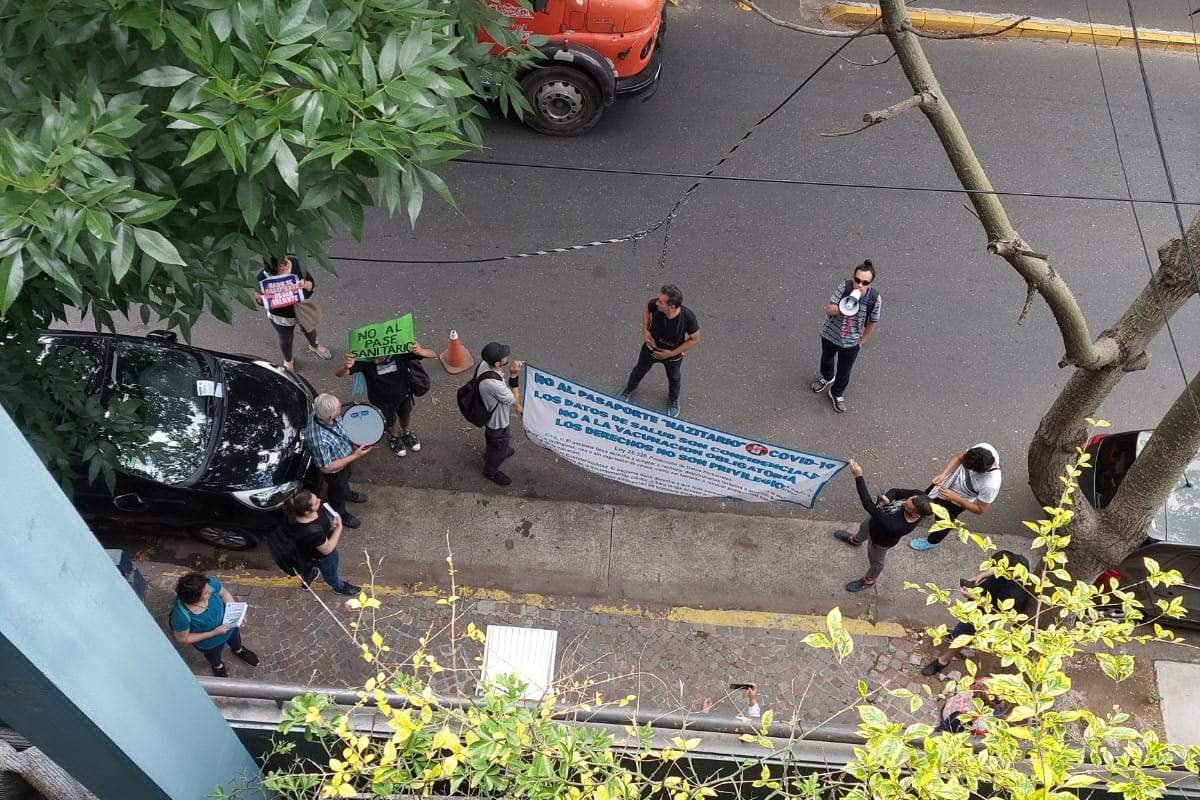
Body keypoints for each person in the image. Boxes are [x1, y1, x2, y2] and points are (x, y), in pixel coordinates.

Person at [920, 550, 1030, 676]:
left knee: (966, 630)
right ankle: (955, 635)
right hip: (986, 595)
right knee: (962, 623)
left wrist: (974, 597)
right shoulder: (1019, 562)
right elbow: (997, 570)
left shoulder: (1016, 596)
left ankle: (944, 660)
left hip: (987, 610)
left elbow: (998, 611)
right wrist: (982, 576)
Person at [832, 458, 933, 592]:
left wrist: (858, 476)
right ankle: (855, 540)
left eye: (906, 506)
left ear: (915, 515)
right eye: (907, 500)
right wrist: (889, 498)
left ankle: (869, 580)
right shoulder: (920, 497)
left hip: (879, 541)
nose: (903, 503)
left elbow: (867, 503)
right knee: (864, 527)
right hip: (875, 520)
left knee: (876, 562)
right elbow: (897, 492)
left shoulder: (896, 525)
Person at [335, 342, 438, 457]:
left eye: (379, 358)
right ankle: (393, 437)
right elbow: (338, 374)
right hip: (380, 402)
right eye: (373, 357)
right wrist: (346, 367)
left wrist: (420, 351)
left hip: (403, 396)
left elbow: (433, 354)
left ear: (388, 352)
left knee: (405, 415)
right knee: (389, 421)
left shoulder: (400, 354)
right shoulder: (365, 361)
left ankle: (405, 432)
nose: (376, 361)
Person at [617, 284, 701, 418]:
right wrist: (645, 331)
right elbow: (647, 308)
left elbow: (695, 339)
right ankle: (629, 389)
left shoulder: (688, 318)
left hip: (672, 356)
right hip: (650, 349)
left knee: (674, 378)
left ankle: (673, 400)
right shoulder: (655, 306)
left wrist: (671, 353)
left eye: (661, 302)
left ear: (671, 307)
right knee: (639, 370)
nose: (657, 303)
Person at [811, 260, 880, 414]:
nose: (860, 285)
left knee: (844, 371)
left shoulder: (874, 299)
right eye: (857, 280)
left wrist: (862, 341)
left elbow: (872, 322)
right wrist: (845, 306)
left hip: (851, 343)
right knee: (826, 361)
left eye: (865, 282)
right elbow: (829, 310)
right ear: (853, 277)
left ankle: (836, 393)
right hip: (830, 335)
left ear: (871, 282)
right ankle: (827, 377)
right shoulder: (845, 287)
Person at [910, 443, 1003, 552]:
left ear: (980, 471)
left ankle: (931, 542)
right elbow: (959, 457)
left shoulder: (991, 485)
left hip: (958, 500)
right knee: (925, 499)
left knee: (944, 523)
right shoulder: (983, 449)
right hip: (947, 482)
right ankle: (922, 512)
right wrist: (943, 475)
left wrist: (955, 498)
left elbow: (980, 509)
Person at [170, 571, 258, 677]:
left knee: (236, 640)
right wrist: (214, 633)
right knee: (214, 657)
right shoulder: (181, 616)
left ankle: (239, 650)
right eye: (206, 593)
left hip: (230, 627)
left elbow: (224, 594)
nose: (211, 590)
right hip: (210, 644)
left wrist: (236, 612)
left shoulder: (207, 584)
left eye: (208, 588)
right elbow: (184, 639)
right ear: (195, 599)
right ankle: (218, 666)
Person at [305, 392, 373, 528]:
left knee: (345, 480)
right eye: (338, 408)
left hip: (344, 461)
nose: (341, 406)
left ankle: (347, 493)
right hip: (335, 472)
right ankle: (341, 513)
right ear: (330, 416)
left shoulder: (322, 414)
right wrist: (355, 456)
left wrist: (354, 443)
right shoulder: (319, 440)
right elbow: (326, 467)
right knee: (337, 490)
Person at [254, 255, 333, 370]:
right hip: (280, 316)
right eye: (279, 269)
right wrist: (260, 299)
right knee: (286, 339)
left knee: (309, 330)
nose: (283, 268)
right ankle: (288, 360)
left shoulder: (295, 264)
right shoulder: (262, 277)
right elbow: (260, 300)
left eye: (284, 263)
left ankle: (314, 345)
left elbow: (311, 284)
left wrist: (305, 285)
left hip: (301, 309)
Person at [283, 490, 362, 596]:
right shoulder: (314, 533)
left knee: (306, 569)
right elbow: (327, 549)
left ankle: (307, 581)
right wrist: (338, 528)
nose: (319, 500)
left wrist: (330, 526)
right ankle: (338, 587)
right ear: (307, 511)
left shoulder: (293, 515)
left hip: (303, 553)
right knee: (331, 574)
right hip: (321, 557)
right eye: (316, 502)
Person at [474, 342, 523, 486]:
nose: (506, 356)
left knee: (494, 443)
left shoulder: (484, 365)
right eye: (503, 356)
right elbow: (514, 399)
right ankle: (491, 471)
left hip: (489, 416)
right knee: (499, 444)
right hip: (497, 423)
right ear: (497, 363)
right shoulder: (494, 385)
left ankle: (494, 452)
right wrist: (514, 375)